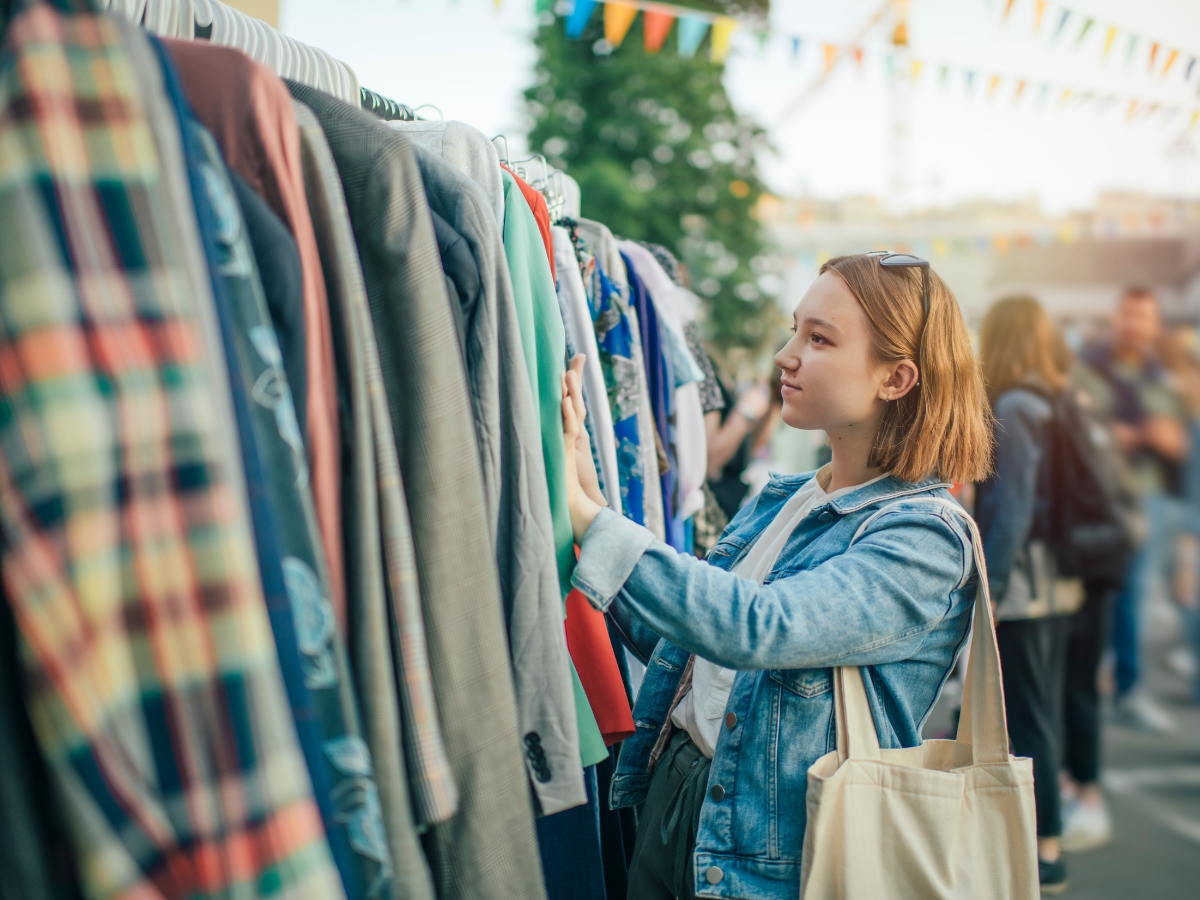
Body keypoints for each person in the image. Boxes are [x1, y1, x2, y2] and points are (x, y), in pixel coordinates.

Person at [559, 253, 992, 900]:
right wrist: (586, 508)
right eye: (794, 331)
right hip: (678, 801)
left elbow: (758, 627)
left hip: (778, 855)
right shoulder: (784, 497)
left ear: (896, 378)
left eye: (819, 339)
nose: (786, 356)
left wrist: (594, 524)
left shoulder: (925, 537)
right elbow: (685, 646)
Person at [975, 296, 1081, 893]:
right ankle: (1044, 839)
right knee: (1042, 710)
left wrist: (993, 584)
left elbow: (1012, 510)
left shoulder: (1016, 405)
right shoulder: (1050, 398)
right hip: (1055, 580)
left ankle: (1044, 850)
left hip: (1026, 584)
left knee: (1028, 716)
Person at [1080, 288, 1188, 733]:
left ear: (1154, 324)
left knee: (1136, 594)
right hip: (1101, 496)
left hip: (1153, 498)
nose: (1134, 325)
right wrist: (1141, 433)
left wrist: (1157, 437)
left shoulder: (1160, 375)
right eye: (1128, 315)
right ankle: (1110, 684)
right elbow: (1085, 429)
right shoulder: (1089, 366)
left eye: (1143, 317)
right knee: (1103, 593)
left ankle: (1127, 685)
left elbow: (1177, 441)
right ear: (1115, 316)